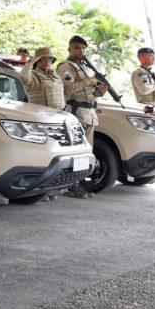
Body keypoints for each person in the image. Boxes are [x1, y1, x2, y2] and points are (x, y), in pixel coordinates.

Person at [57, 35, 106, 198]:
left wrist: (99, 91)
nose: (81, 51)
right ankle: (71, 186)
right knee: (76, 151)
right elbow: (66, 89)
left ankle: (77, 183)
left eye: (83, 48)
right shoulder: (66, 66)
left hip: (89, 113)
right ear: (69, 49)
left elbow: (89, 92)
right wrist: (88, 82)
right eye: (77, 47)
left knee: (85, 152)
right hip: (76, 112)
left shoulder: (84, 68)